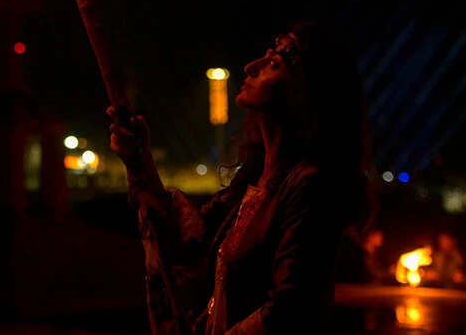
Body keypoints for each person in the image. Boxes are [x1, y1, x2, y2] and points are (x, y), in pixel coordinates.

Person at [110, 21, 371, 334]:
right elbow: (189, 244)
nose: (251, 67)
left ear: (304, 92)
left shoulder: (309, 187)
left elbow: (290, 309)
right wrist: (139, 160)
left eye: (273, 64)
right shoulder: (253, 181)